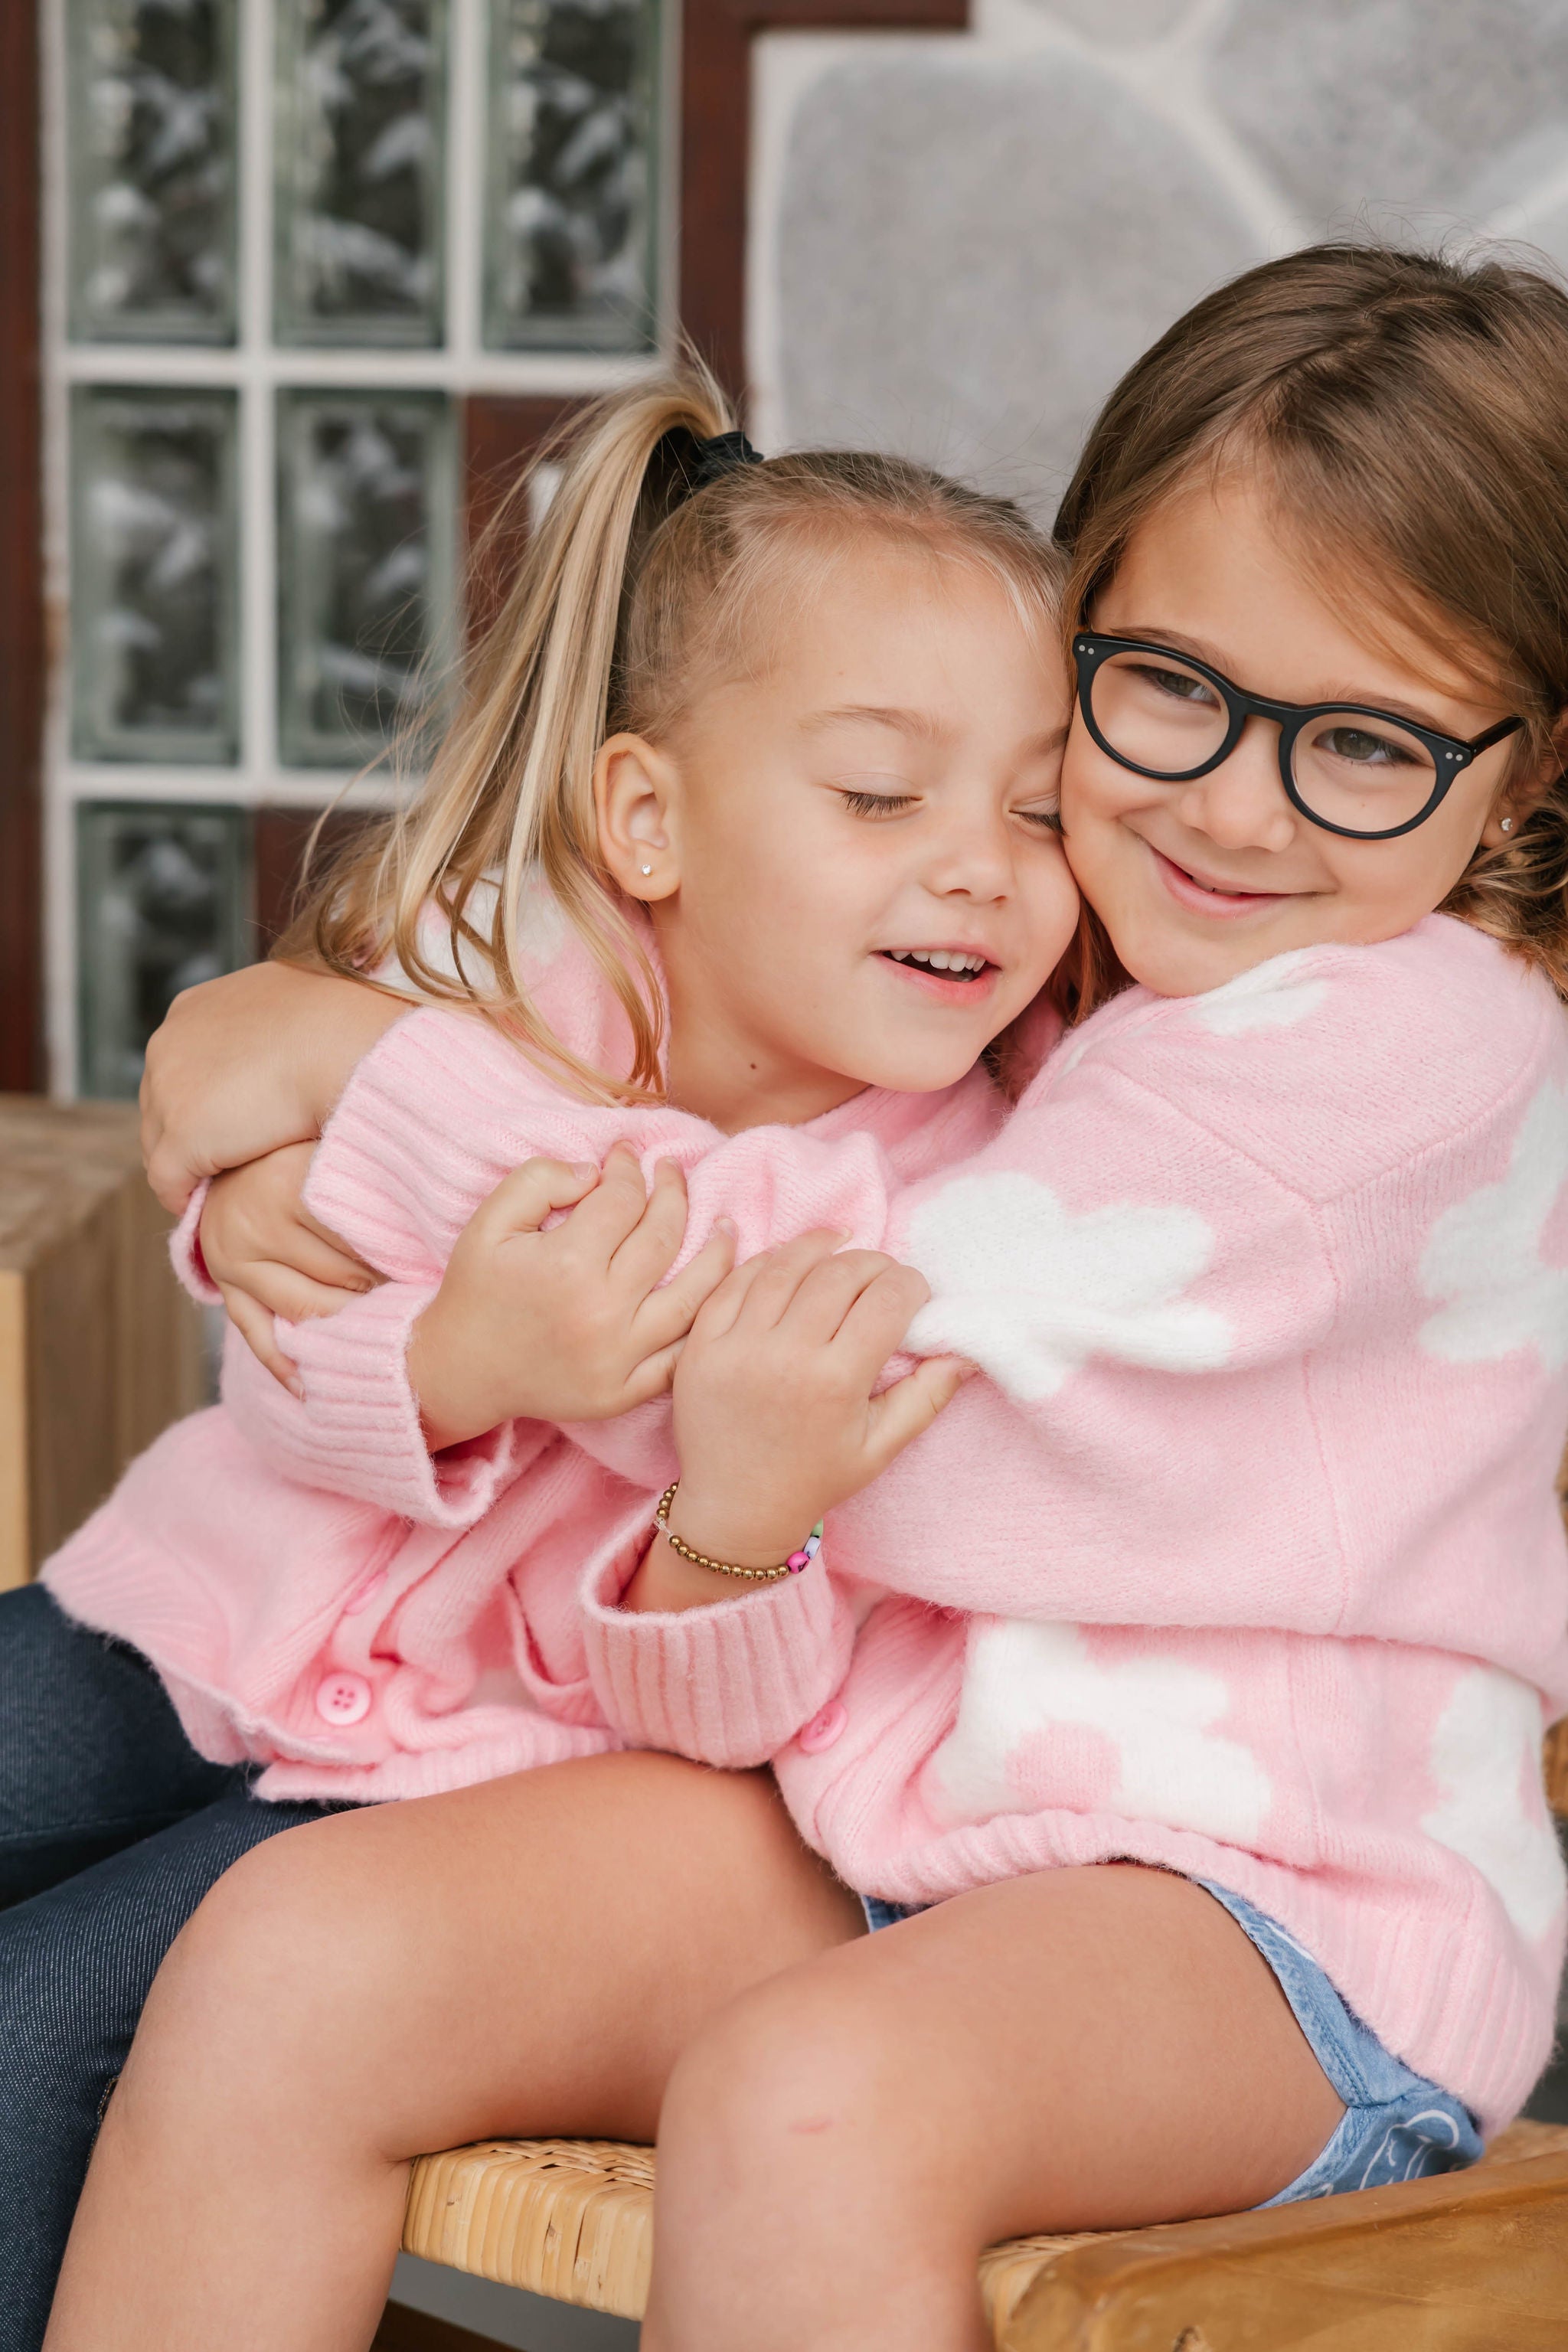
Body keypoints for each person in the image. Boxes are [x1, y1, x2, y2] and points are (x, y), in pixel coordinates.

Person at [46, 243, 1568, 2352]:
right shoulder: (1049, 919)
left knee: (813, 2100)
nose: (1231, 804)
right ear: (1081, 621)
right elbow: (638, 1094)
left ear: (1529, 767)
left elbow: (847, 1342)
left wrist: (364, 1079)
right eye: (1169, 692)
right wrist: (297, 1037)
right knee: (292, 1955)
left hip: (1269, 1914)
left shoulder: (1403, 1039)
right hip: (890, 1819)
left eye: (1369, 746)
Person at [3, 379, 1083, 2352]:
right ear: (647, 818)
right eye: (880, 796)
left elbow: (691, 1281)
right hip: (199, 1612)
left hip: (475, 1777)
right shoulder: (526, 994)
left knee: (37, 2011)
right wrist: (438, 1362)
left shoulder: (959, 1194)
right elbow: (278, 1334)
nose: (980, 870)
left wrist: (372, 1078)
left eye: (1039, 811)